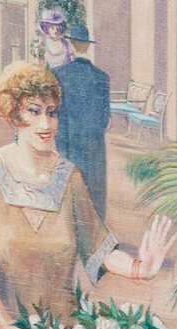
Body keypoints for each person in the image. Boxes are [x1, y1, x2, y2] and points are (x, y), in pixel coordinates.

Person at [0, 62, 173, 329]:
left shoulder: (70, 178)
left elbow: (98, 250)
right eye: (34, 111)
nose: (46, 124)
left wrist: (141, 269)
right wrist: (4, 324)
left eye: (52, 112)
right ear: (14, 114)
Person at [37, 5, 109, 217]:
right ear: (86, 46)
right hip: (94, 144)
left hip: (69, 141)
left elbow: (59, 113)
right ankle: (98, 227)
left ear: (71, 44)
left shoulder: (60, 75)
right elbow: (104, 119)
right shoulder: (101, 77)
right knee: (95, 187)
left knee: (70, 187)